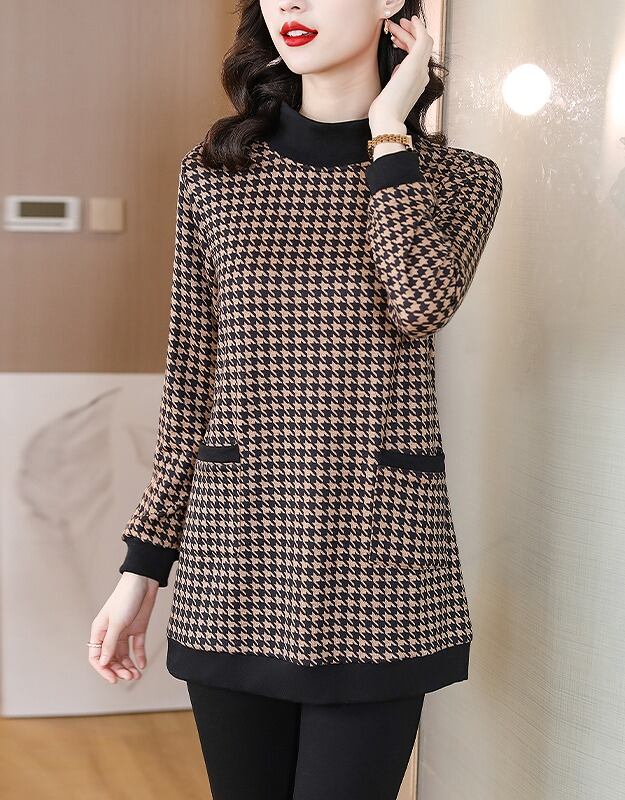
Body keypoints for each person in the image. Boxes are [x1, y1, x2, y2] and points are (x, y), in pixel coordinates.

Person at [88, 1, 503, 797]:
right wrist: (142, 567)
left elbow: (419, 303)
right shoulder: (214, 174)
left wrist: (388, 132)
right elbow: (191, 386)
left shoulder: (459, 179)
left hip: (379, 566)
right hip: (235, 561)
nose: (289, 3)